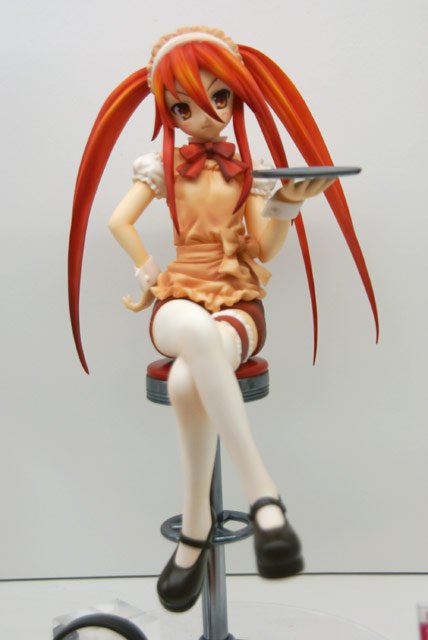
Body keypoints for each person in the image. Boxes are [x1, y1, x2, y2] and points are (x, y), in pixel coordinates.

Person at [68, 26, 378, 613]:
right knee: (191, 330)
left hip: (239, 302)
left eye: (219, 97)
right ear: (168, 112)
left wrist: (285, 207)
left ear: (236, 97)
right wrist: (147, 273)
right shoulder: (161, 165)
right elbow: (117, 221)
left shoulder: (247, 170)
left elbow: (262, 250)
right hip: (178, 298)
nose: (204, 116)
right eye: (182, 107)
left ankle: (194, 528)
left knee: (189, 377)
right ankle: (264, 495)